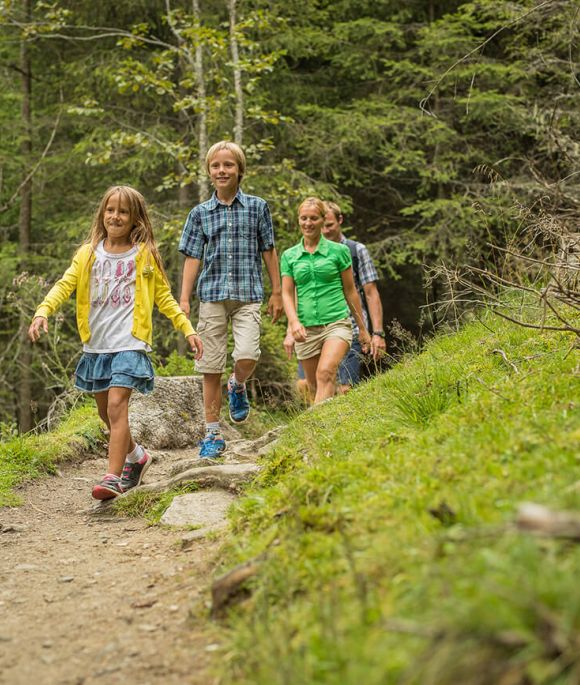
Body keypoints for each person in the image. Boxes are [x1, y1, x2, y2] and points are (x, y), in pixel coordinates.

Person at [28, 186, 203, 500]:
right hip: (97, 345)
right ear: (102, 214)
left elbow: (164, 298)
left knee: (116, 405)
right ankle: (138, 457)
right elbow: (64, 284)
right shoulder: (88, 254)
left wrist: (187, 328)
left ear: (135, 218)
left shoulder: (144, 255)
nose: (115, 216)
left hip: (129, 342)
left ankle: (113, 476)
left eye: (123, 211)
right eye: (110, 210)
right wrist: (43, 311)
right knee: (105, 414)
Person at [179, 141, 283, 459]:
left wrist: (277, 291)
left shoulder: (257, 207)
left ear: (239, 170)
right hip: (211, 295)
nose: (222, 170)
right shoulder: (200, 213)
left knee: (248, 353)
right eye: (216, 166)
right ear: (209, 171)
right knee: (210, 367)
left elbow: (268, 250)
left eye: (228, 165)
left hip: (248, 293)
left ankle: (237, 384)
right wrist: (183, 298)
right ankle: (212, 434)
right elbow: (193, 257)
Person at [281, 197, 371, 404]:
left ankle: (316, 426)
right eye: (303, 218)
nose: (308, 223)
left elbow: (351, 291)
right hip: (306, 328)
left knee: (326, 373)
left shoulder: (339, 251)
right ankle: (330, 425)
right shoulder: (290, 256)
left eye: (313, 218)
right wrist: (293, 323)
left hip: (336, 323)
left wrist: (363, 329)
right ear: (298, 220)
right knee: (313, 386)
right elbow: (286, 293)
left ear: (323, 220)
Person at [322, 201, 386, 393]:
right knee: (310, 386)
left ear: (340, 220)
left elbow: (370, 292)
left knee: (345, 387)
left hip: (350, 325)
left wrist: (377, 333)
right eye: (322, 226)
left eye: (330, 225)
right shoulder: (308, 253)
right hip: (318, 326)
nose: (325, 231)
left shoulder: (356, 250)